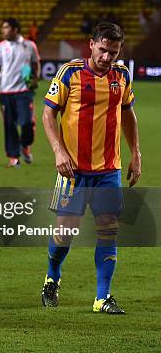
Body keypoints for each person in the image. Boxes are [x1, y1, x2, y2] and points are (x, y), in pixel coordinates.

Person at [40, 22, 140, 314]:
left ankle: (102, 297)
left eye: (114, 52)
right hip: (73, 171)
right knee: (64, 235)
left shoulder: (121, 76)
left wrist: (136, 153)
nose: (108, 57)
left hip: (109, 170)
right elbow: (48, 114)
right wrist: (58, 151)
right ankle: (52, 276)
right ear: (91, 44)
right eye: (103, 50)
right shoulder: (70, 72)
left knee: (108, 231)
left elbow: (129, 113)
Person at [0, 18, 40, 167]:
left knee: (27, 123)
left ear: (15, 29)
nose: (3, 31)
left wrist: (35, 79)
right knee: (9, 125)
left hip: (24, 91)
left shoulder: (29, 45)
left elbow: (36, 63)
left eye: (6, 27)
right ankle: (14, 157)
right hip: (5, 92)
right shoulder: (0, 47)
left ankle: (25, 145)